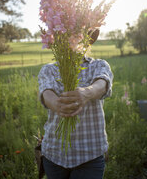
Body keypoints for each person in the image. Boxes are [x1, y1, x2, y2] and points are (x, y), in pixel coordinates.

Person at [38, 29, 113, 179]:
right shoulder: (49, 69)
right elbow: (46, 92)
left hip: (90, 155)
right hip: (54, 154)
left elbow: (103, 83)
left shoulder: (98, 65)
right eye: (67, 35)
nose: (72, 40)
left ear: (86, 40)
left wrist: (87, 93)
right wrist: (57, 104)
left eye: (77, 35)